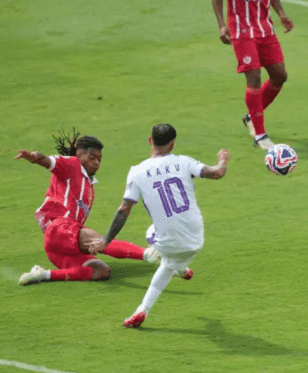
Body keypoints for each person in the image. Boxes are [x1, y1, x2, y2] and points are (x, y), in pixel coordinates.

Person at [89, 124, 230, 328]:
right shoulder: (184, 162)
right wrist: (223, 159)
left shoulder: (136, 172)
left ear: (150, 140)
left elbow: (123, 210)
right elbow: (217, 173)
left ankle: (175, 270)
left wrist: (105, 240)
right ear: (172, 145)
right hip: (197, 238)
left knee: (153, 236)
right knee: (169, 263)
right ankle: (147, 303)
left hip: (167, 242)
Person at [16, 129, 160, 286]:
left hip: (59, 248)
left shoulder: (89, 186)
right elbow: (46, 160)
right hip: (59, 229)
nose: (97, 162)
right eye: (92, 158)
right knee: (99, 241)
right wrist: (34, 157)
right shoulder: (71, 164)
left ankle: (43, 274)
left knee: (101, 271)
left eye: (99, 159)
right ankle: (147, 254)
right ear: (79, 155)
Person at [212, 0, 294, 150]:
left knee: (280, 76)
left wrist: (281, 14)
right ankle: (260, 135)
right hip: (241, 31)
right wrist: (222, 26)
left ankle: (251, 117)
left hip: (265, 29)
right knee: (254, 78)